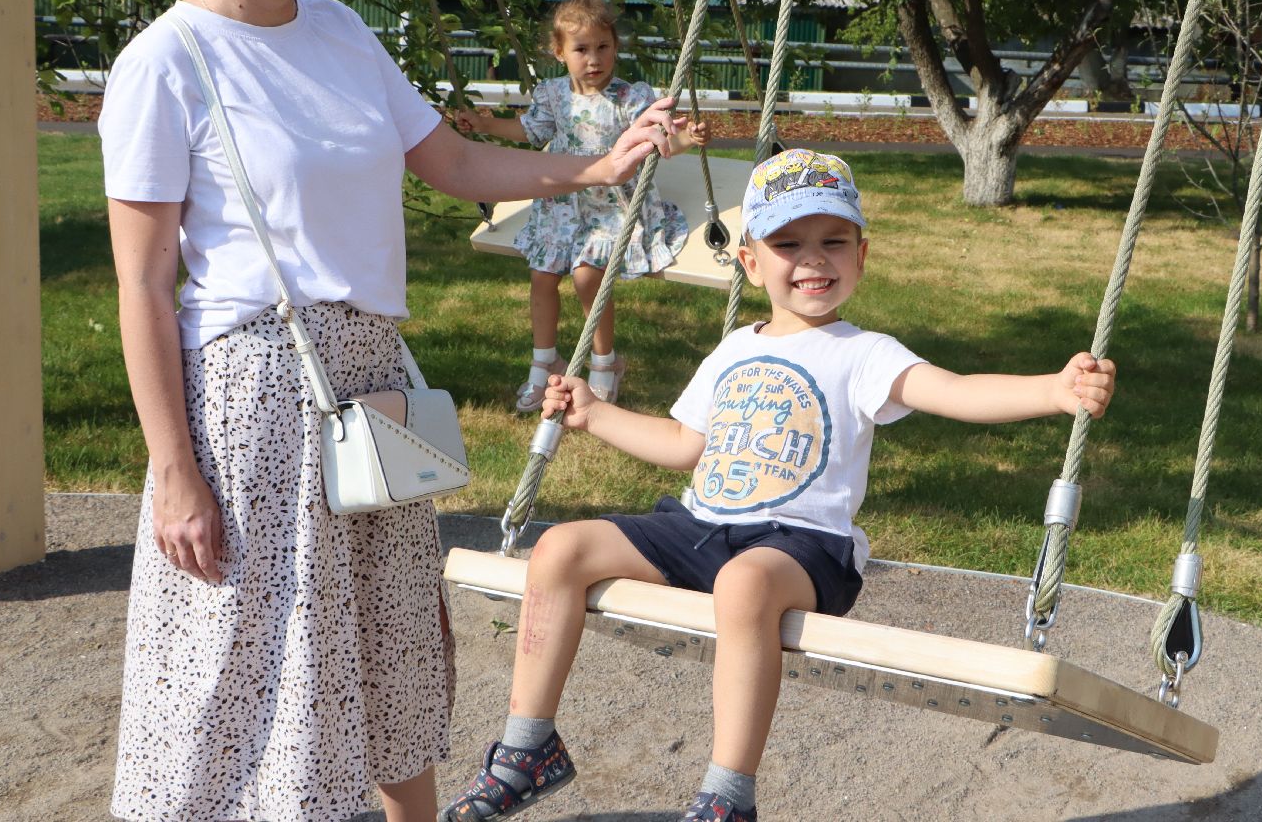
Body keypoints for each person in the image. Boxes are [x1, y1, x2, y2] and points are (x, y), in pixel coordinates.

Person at [100, 0, 686, 822]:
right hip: (257, 400)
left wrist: (596, 173)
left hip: (372, 379)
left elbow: (452, 160)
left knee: (388, 643)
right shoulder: (165, 64)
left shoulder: (340, 34)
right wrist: (173, 472)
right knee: (269, 664)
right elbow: (145, 283)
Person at [438, 149, 1118, 822]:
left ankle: (728, 795)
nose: (814, 259)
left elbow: (957, 391)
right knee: (560, 548)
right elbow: (684, 446)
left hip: (803, 546)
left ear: (861, 254)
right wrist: (596, 414)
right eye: (789, 242)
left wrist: (1053, 391)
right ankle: (527, 750)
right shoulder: (735, 346)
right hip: (703, 526)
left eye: (833, 241)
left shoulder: (864, 352)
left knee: (744, 585)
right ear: (752, 263)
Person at [449, 0, 708, 411]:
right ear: (559, 52)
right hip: (562, 205)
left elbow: (661, 139)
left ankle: (605, 364)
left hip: (613, 207)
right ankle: (544, 361)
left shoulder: (629, 97)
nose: (594, 59)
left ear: (615, 47)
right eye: (582, 49)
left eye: (603, 47)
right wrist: (483, 123)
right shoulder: (553, 95)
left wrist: (685, 138)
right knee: (541, 276)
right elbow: (529, 132)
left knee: (588, 276)